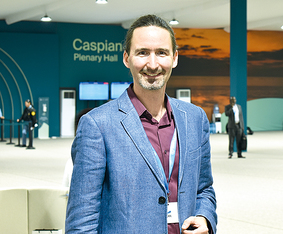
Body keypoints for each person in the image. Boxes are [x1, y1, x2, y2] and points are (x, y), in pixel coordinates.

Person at [65, 15, 217, 234]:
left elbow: (204, 188)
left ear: (174, 58)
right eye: (143, 52)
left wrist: (205, 217)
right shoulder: (97, 124)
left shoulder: (194, 118)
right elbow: (82, 218)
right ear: (127, 58)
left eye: (161, 53)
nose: (153, 64)